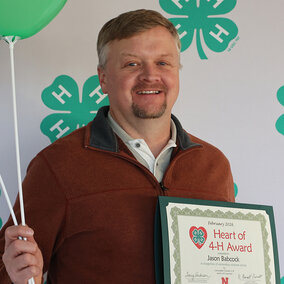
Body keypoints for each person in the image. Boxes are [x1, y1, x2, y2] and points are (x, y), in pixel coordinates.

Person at [0, 9, 235, 284]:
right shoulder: (57, 166)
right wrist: (18, 277)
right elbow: (9, 269)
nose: (150, 76)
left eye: (163, 63)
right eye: (132, 64)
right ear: (103, 79)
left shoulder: (214, 166)